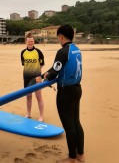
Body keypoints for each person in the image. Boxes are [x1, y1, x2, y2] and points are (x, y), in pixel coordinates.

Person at [36, 24, 85, 163]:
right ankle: (80, 154)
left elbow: (54, 72)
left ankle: (71, 157)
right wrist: (47, 73)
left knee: (69, 126)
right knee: (76, 122)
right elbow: (59, 66)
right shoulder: (77, 49)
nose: (58, 39)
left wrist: (44, 76)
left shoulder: (63, 51)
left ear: (61, 36)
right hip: (77, 89)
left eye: (58, 37)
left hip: (66, 92)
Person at [21, 32, 45, 121]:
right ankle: (28, 113)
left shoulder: (38, 52)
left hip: (37, 77)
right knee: (28, 96)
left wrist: (37, 71)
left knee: (38, 96)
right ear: (26, 42)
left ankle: (41, 116)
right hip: (26, 77)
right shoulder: (23, 52)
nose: (30, 43)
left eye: (31, 41)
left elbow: (42, 64)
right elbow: (24, 64)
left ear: (33, 41)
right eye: (28, 41)